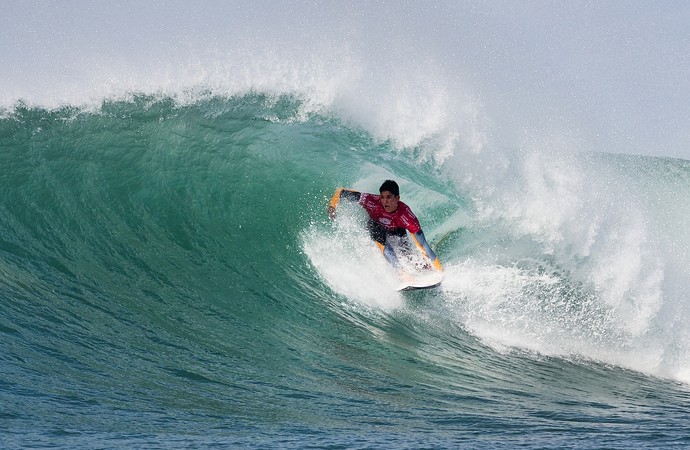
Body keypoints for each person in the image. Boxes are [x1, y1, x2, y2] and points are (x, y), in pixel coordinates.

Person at [327, 180, 442, 272]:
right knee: (385, 244)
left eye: (389, 197)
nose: (384, 201)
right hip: (375, 225)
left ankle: (426, 267)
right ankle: (401, 274)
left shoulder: (406, 216)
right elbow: (342, 192)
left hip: (395, 229)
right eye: (382, 197)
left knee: (408, 255)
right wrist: (332, 206)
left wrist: (439, 269)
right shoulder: (371, 201)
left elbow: (422, 244)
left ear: (397, 198)